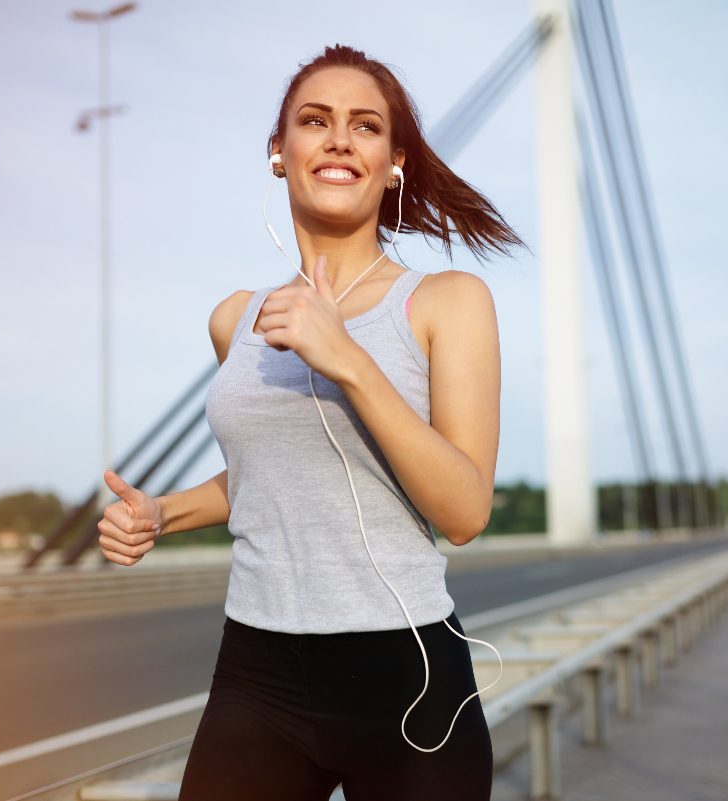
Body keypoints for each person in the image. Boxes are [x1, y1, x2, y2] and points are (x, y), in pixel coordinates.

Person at [96, 43, 524, 801]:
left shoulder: (447, 302)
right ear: (278, 152)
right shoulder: (238, 318)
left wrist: (348, 359)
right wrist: (164, 511)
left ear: (393, 161)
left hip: (410, 680)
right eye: (314, 120)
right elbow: (273, 472)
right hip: (258, 676)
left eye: (364, 126)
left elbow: (464, 510)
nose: (337, 138)